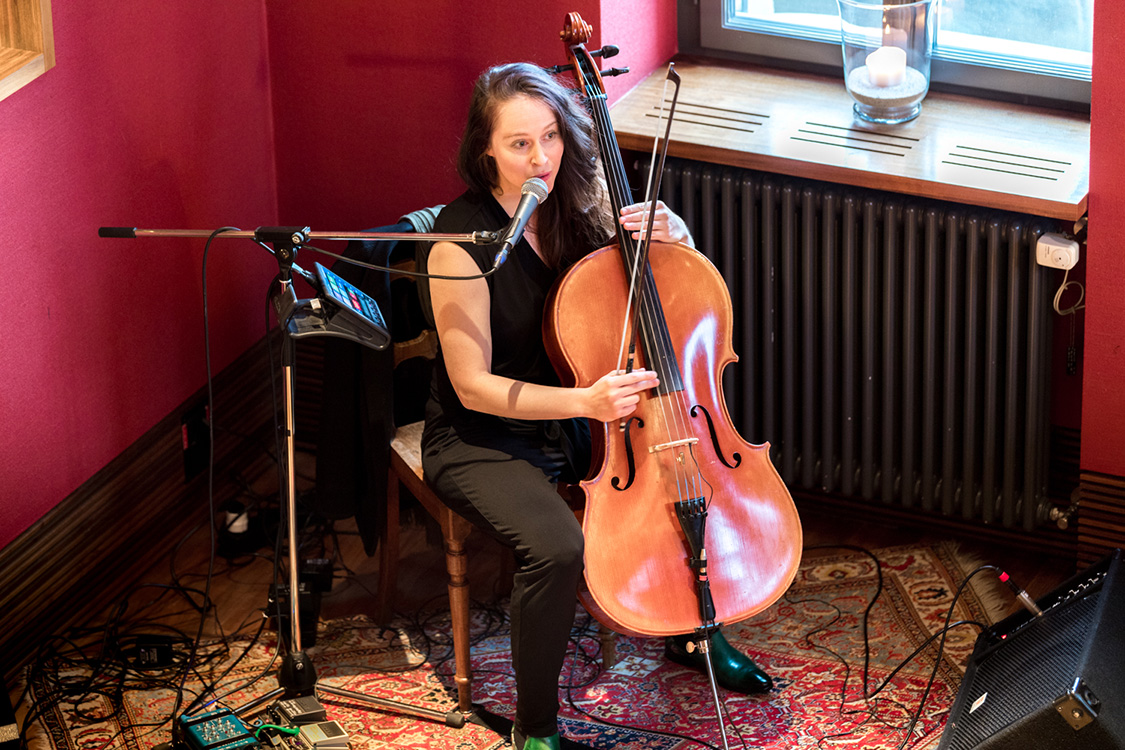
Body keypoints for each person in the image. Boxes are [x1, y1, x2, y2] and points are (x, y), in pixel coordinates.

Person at [419, 62, 771, 750]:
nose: (539, 158)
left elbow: (666, 296)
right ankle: (537, 729)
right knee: (555, 548)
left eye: (550, 137)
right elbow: (471, 385)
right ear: (484, 148)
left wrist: (677, 239)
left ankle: (695, 634)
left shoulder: (586, 200)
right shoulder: (460, 240)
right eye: (519, 143)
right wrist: (585, 399)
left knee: (677, 478)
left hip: (586, 415)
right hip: (486, 433)